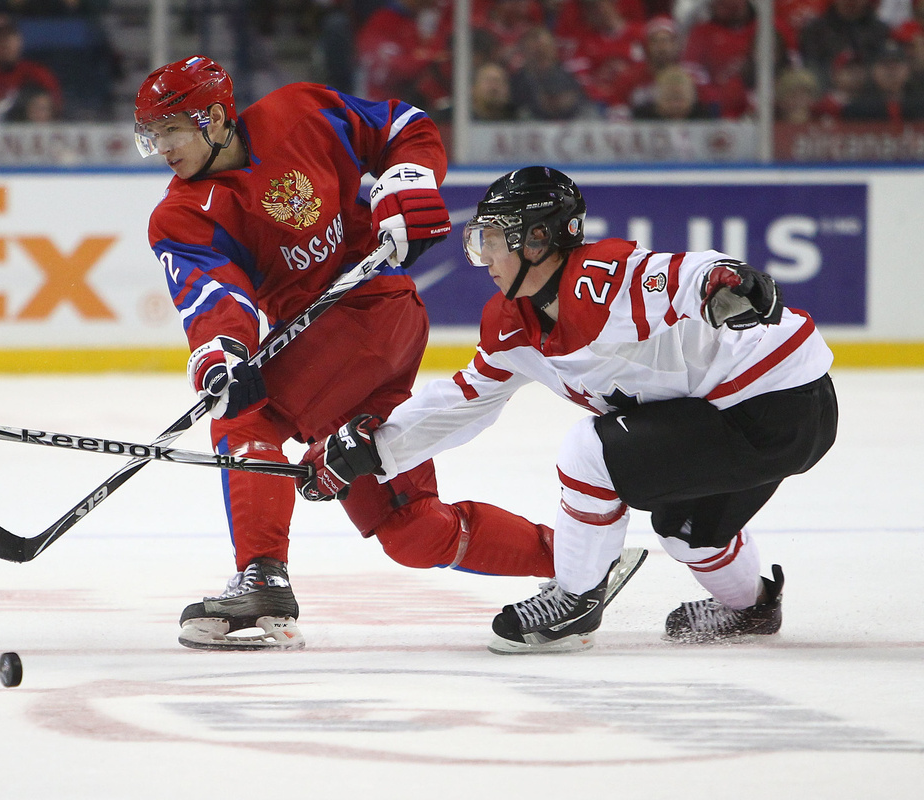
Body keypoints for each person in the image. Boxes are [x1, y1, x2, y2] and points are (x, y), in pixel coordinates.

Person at [134, 56, 576, 652]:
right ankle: (580, 563)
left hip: (370, 310)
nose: (162, 148)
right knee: (410, 530)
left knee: (248, 419)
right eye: (152, 135)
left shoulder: (300, 112)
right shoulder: (181, 215)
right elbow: (211, 293)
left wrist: (407, 182)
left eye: (170, 130)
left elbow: (402, 128)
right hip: (351, 345)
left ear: (214, 118)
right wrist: (222, 353)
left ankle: (262, 578)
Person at [299, 166, 838, 653]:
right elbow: (465, 400)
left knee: (590, 449)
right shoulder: (512, 322)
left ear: (538, 239)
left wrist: (724, 278)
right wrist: (371, 450)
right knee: (686, 529)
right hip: (753, 415)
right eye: (480, 241)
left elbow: (675, 276)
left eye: (494, 240)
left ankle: (576, 601)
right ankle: (752, 608)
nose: (485, 258)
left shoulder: (600, 279)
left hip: (774, 404)